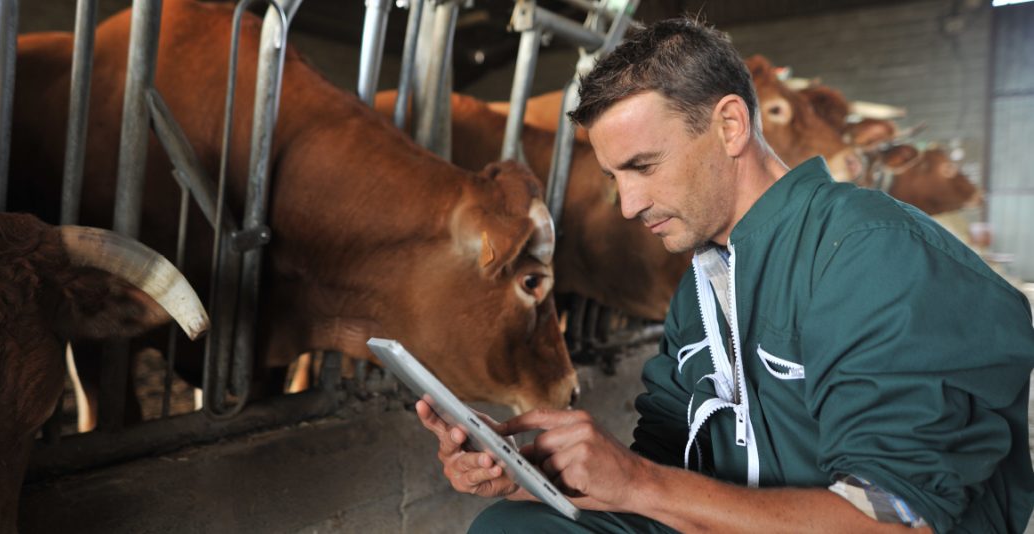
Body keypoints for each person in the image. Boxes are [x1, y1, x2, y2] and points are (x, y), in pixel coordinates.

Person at [416, 17, 1034, 533]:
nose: (628, 206)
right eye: (615, 178)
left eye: (644, 166)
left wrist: (637, 483)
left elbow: (895, 522)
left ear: (730, 125)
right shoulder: (706, 278)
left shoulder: (870, 252)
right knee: (513, 527)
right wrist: (541, 471)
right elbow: (667, 457)